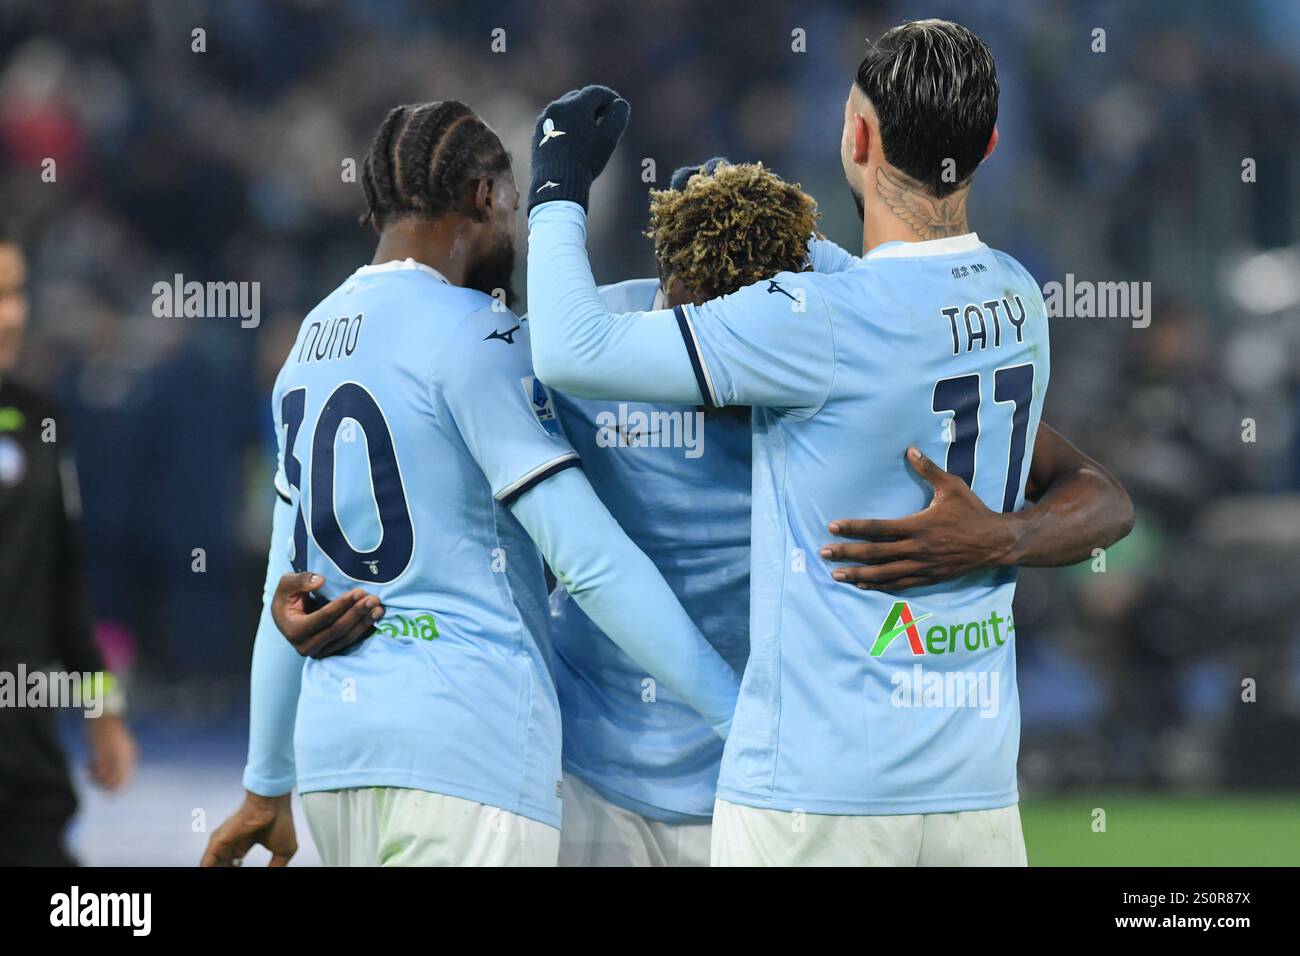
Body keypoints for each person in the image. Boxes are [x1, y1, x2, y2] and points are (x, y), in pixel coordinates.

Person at [271, 158, 1131, 867]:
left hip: (776, 793)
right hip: (591, 780)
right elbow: (415, 462)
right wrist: (322, 598)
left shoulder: (835, 352)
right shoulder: (583, 348)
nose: (718, 361)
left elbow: (1101, 495)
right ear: (665, 294)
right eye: (694, 319)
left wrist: (1004, 536)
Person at [524, 20, 1118, 865]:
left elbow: (570, 348)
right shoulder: (1017, 301)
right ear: (988, 144)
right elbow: (897, 301)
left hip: (818, 795)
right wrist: (775, 231)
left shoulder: (812, 327)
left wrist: (557, 184)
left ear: (857, 137)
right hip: (973, 787)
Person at [201, 101, 739, 868]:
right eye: (516, 209)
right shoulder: (479, 336)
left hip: (334, 763)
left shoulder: (306, 348)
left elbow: (277, 595)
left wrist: (264, 783)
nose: (515, 237)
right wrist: (736, 715)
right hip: (467, 753)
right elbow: (590, 562)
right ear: (485, 197)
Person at [0, 234, 137, 866]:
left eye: (16, 292)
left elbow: (63, 581)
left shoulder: (38, 418)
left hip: (25, 769)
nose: (11, 315)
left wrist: (100, 707)